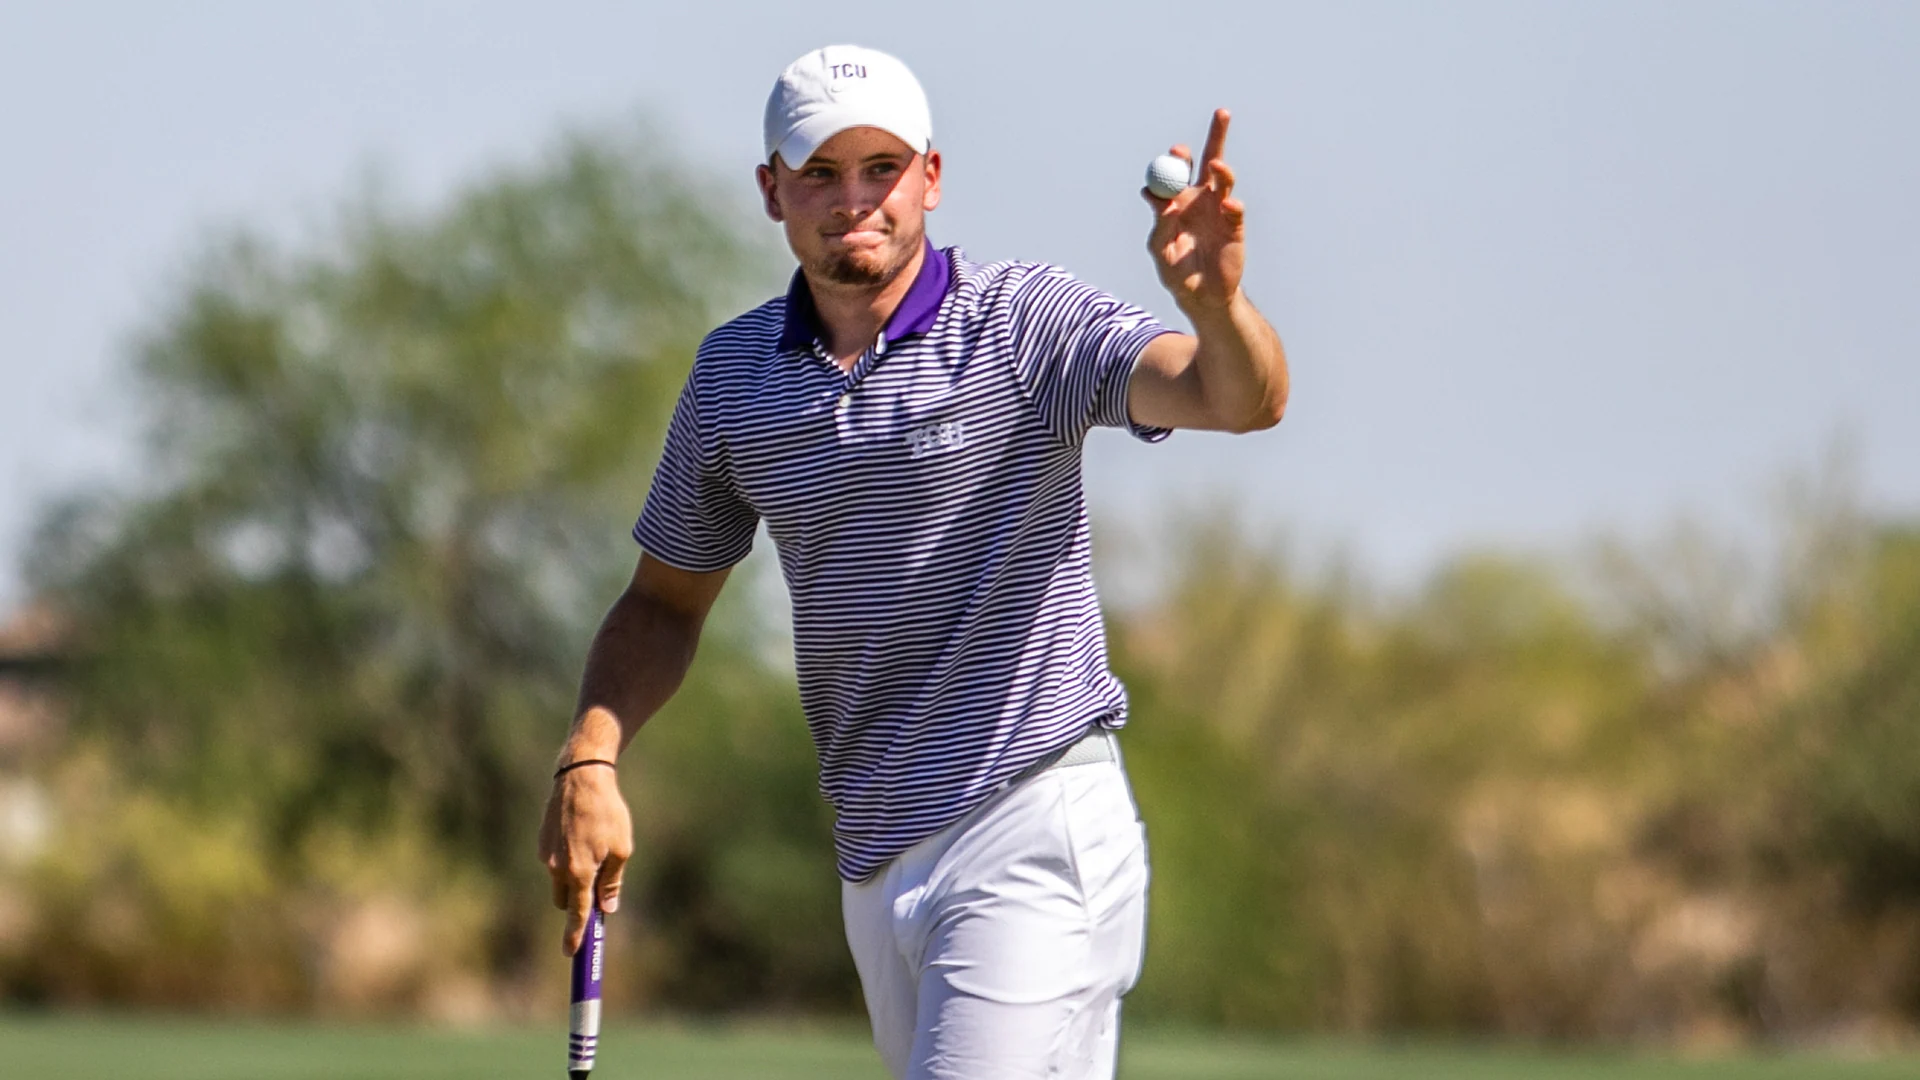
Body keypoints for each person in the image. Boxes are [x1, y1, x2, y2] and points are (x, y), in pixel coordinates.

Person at [538, 43, 1287, 1080]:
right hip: (876, 851)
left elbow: (1230, 399)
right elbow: (664, 603)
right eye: (820, 173)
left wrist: (1213, 306)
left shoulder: (1025, 325)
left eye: (883, 168)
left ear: (930, 176)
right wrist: (592, 753)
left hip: (1032, 821)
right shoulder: (732, 380)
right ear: (772, 192)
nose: (856, 200)